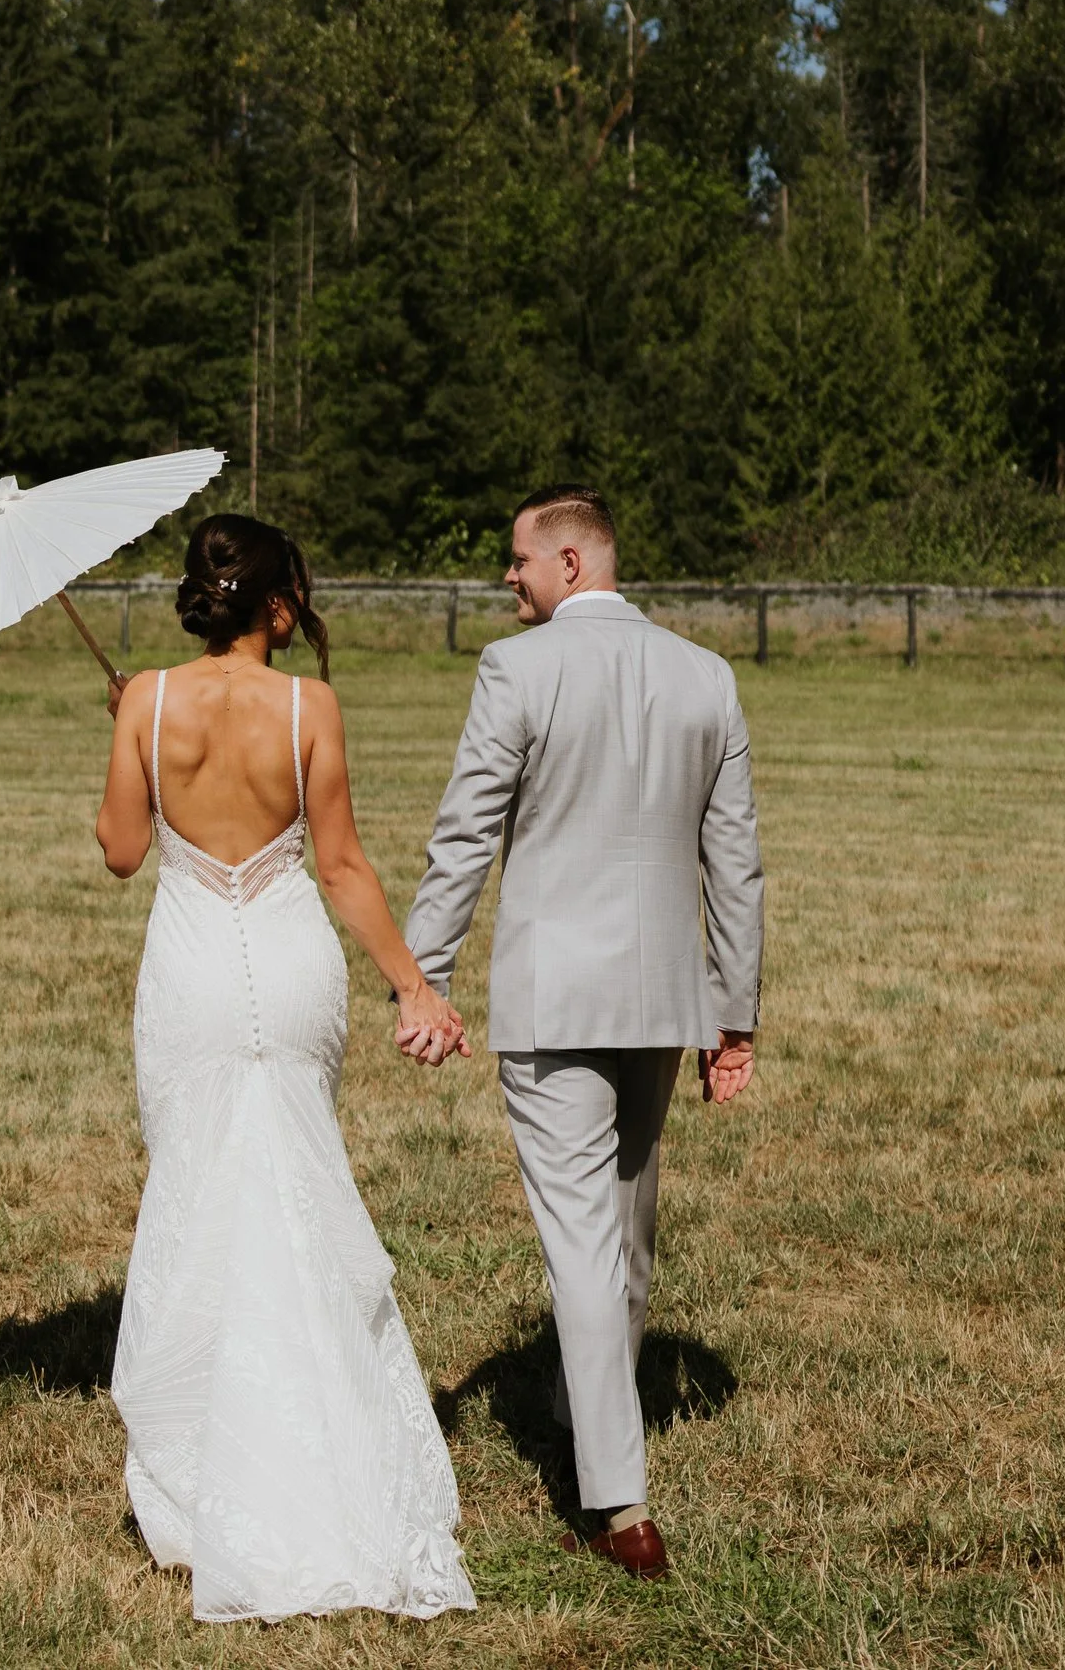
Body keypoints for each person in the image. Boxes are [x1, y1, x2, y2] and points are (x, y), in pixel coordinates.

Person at [96, 512, 477, 1623]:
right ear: (277, 603)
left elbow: (123, 852)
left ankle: (209, 1451)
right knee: (298, 1183)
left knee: (198, 1184)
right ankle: (328, 1430)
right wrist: (414, 984)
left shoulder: (146, 702)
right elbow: (345, 864)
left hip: (194, 970)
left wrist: (124, 725)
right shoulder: (310, 705)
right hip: (293, 957)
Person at [402, 485, 763, 1584]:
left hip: (556, 999)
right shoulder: (706, 675)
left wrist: (419, 970)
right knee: (623, 1229)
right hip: (663, 998)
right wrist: (734, 1013)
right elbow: (734, 861)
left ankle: (617, 1504)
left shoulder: (517, 671)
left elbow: (465, 829)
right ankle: (585, 1411)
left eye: (517, 559)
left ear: (567, 562)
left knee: (587, 1246)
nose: (506, 577)